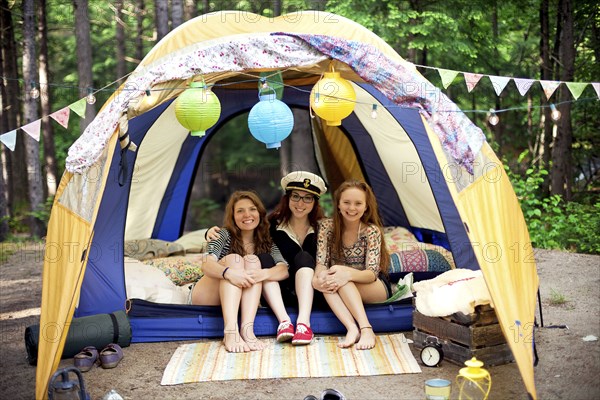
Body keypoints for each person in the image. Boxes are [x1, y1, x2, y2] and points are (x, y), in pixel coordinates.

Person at [206, 171, 327, 345]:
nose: (301, 203)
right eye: (296, 196)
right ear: (287, 198)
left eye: (308, 198)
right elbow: (211, 257)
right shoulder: (272, 226)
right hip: (276, 292)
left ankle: (302, 324)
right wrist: (209, 234)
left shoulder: (324, 227)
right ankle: (282, 322)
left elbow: (283, 266)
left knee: (300, 257)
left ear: (315, 202)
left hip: (314, 290)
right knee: (254, 259)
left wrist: (263, 275)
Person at [190, 190, 288, 353]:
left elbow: (283, 269)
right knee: (235, 259)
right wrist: (229, 273)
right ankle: (230, 331)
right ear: (233, 216)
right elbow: (206, 265)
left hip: (237, 291)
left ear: (259, 212)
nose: (247, 215)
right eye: (240, 211)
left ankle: (247, 329)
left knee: (253, 261)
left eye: (252, 209)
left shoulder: (265, 242)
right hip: (206, 295)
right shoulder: (223, 235)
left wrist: (263, 274)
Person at [313, 179, 391, 350]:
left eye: (358, 203)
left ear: (366, 207)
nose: (352, 208)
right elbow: (321, 262)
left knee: (338, 277)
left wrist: (345, 273)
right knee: (329, 279)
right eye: (346, 202)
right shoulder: (327, 227)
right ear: (339, 205)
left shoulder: (371, 231)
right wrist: (317, 278)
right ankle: (352, 328)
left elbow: (371, 273)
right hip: (340, 283)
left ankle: (366, 328)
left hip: (372, 284)